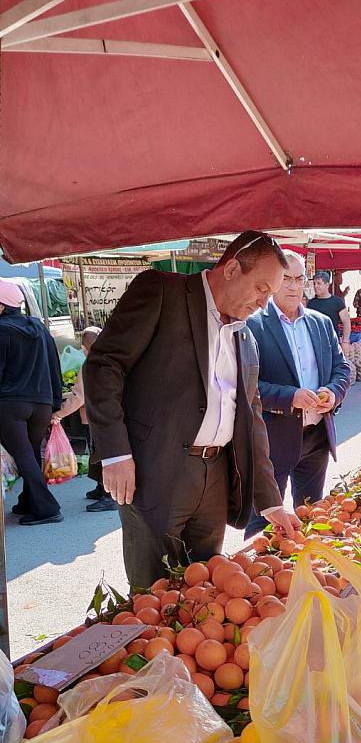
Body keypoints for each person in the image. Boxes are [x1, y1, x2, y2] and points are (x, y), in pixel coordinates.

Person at [84, 231, 300, 589]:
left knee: (206, 589)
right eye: (261, 289)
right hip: (156, 469)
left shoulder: (245, 335)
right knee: (154, 592)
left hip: (216, 475)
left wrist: (270, 502)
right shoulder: (162, 292)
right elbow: (104, 365)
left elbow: (251, 418)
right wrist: (115, 453)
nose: (264, 303)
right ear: (232, 269)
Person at [244, 251, 352, 537]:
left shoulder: (321, 323)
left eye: (299, 279)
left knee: (312, 515)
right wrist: (289, 397)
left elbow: (342, 368)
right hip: (272, 440)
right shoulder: (253, 325)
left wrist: (333, 392)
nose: (293, 286)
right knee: (264, 526)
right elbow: (244, 386)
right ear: (272, 281)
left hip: (316, 438)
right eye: (286, 279)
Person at [0, 279, 64, 526]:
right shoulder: (40, 328)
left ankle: (47, 508)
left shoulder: (2, 331)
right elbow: (54, 366)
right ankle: (29, 501)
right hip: (42, 402)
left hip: (11, 404)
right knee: (31, 452)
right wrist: (56, 402)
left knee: (23, 453)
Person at [51, 327, 116, 512]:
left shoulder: (90, 365)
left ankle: (108, 495)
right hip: (109, 416)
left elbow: (79, 397)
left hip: (96, 417)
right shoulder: (111, 360)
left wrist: (59, 414)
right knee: (100, 453)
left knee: (101, 454)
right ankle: (101, 488)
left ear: (84, 348)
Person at [306, 271, 351, 346]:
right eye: (314, 283)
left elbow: (346, 321)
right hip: (315, 344)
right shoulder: (311, 303)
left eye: (319, 283)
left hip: (333, 344)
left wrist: (345, 341)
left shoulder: (337, 302)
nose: (315, 286)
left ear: (327, 285)